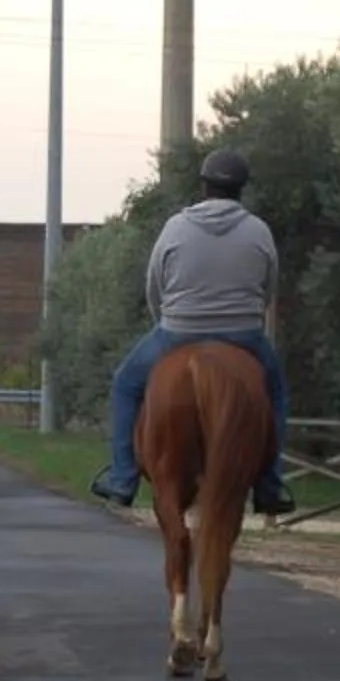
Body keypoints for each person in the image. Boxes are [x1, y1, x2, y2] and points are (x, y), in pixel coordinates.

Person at [90, 148, 296, 517]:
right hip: (243, 333)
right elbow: (269, 288)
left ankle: (122, 479)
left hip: (178, 331)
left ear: (204, 186)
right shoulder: (258, 230)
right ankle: (269, 484)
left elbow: (154, 284)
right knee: (276, 392)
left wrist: (166, 322)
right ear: (241, 189)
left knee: (125, 384)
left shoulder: (176, 227)